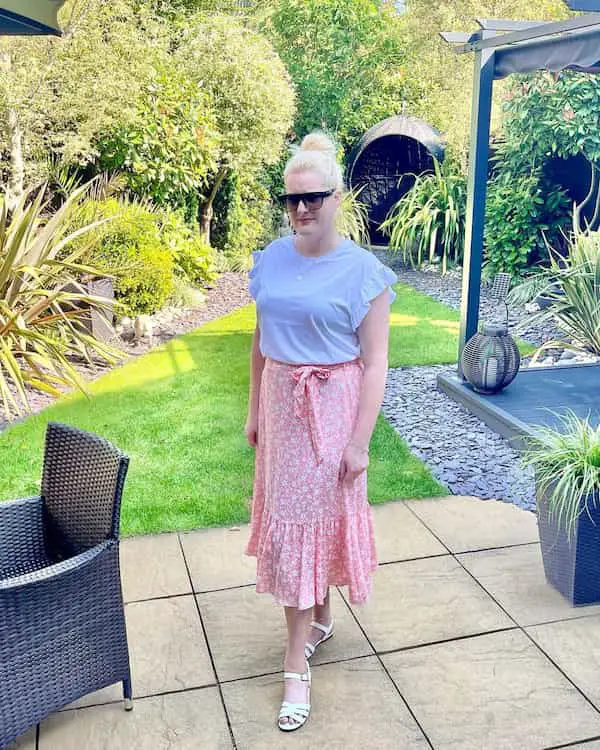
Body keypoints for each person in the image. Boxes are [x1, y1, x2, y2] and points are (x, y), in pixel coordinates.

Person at [244, 131, 397, 732]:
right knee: (294, 519)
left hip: (332, 410)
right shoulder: (269, 260)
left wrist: (359, 442)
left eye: (314, 198)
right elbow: (260, 342)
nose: (301, 209)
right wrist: (255, 410)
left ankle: (294, 666)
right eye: (291, 200)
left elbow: (375, 363)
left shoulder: (365, 273)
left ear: (338, 198)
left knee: (314, 519)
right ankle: (318, 619)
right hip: (283, 407)